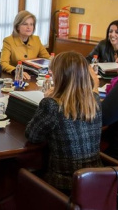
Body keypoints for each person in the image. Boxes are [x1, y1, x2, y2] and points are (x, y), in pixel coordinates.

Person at [25, 51, 103, 195]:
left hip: (64, 186)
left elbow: (32, 135)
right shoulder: (94, 99)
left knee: (22, 171)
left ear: (59, 76)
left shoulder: (52, 105)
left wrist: (50, 98)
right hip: (96, 182)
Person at [0, 10, 50, 79]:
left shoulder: (36, 39)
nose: (29, 27)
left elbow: (47, 58)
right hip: (17, 77)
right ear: (17, 27)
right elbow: (3, 63)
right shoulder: (8, 41)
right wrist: (17, 71)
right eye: (25, 24)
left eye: (31, 24)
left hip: (34, 77)